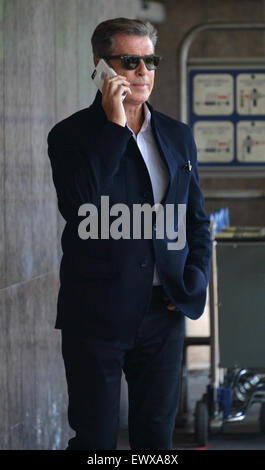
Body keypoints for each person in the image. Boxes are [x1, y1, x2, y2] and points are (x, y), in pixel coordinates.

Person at [47, 17, 212, 451]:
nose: (143, 72)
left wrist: (193, 281)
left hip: (163, 312)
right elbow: (79, 207)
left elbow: (195, 219)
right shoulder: (70, 136)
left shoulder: (177, 136)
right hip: (96, 315)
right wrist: (114, 127)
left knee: (156, 443)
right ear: (103, 67)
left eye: (150, 60)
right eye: (130, 61)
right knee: (96, 442)